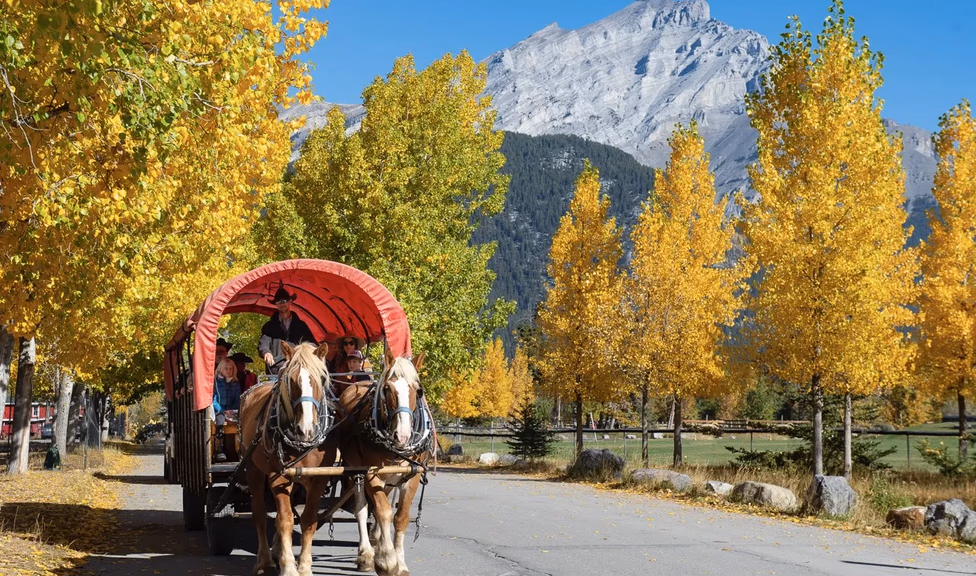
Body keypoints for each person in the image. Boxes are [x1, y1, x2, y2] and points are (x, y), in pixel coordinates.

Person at [258, 285, 316, 374]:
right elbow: (263, 344)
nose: (281, 304)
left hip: (297, 367)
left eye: (284, 301)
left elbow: (312, 344)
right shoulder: (269, 326)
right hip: (276, 369)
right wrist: (266, 352)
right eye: (278, 302)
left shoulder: (301, 325)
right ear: (276, 305)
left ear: (290, 302)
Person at [213, 359, 242, 462]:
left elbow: (237, 398)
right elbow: (213, 399)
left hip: (231, 410)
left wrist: (233, 410)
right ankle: (219, 448)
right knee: (220, 421)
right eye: (226, 368)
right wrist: (222, 410)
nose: (228, 371)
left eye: (231, 369)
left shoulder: (235, 383)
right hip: (219, 409)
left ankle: (240, 448)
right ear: (221, 368)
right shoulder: (215, 382)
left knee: (241, 420)